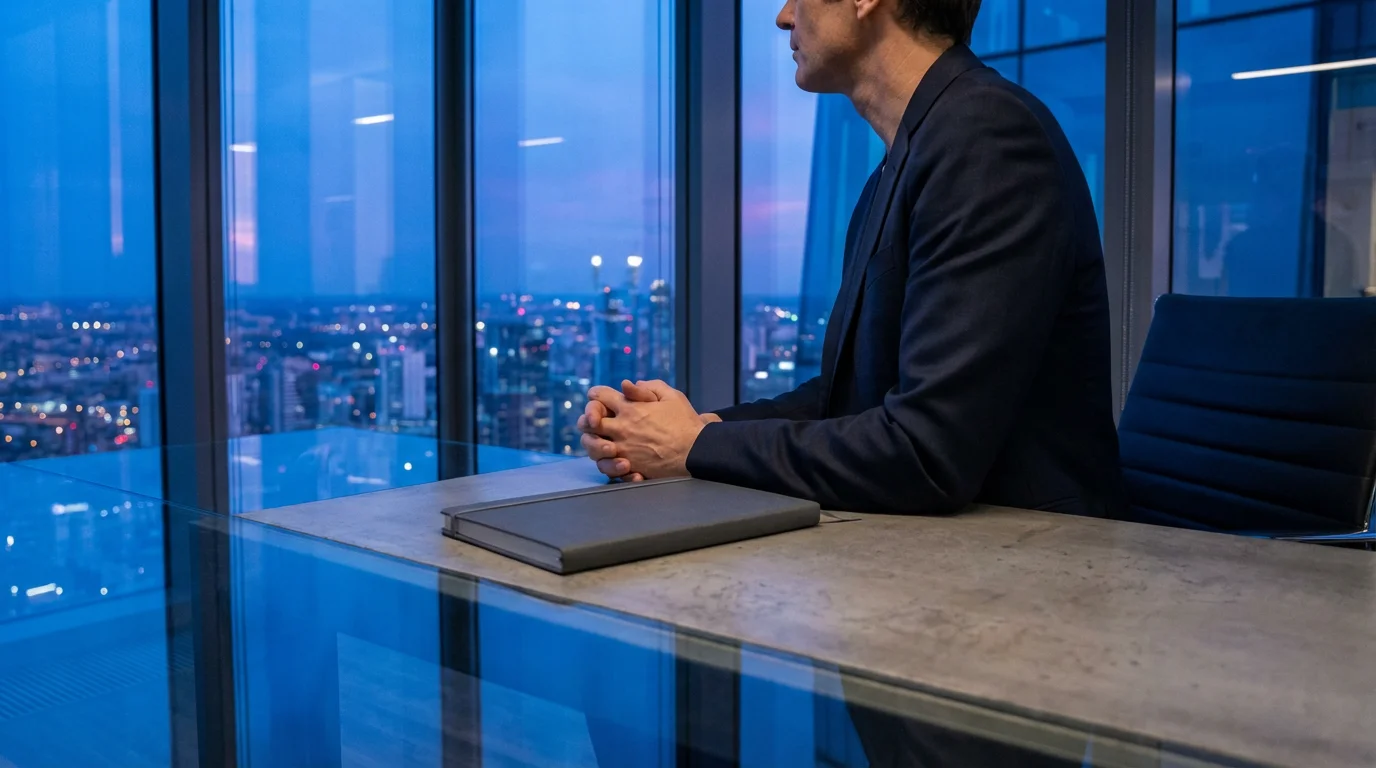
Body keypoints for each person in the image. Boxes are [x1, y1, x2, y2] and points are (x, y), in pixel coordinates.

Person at [579, 0, 1125, 520]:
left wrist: (694, 445)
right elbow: (851, 399)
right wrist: (689, 427)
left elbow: (926, 453)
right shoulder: (903, 163)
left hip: (1032, 573)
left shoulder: (987, 138)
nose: (783, 16)